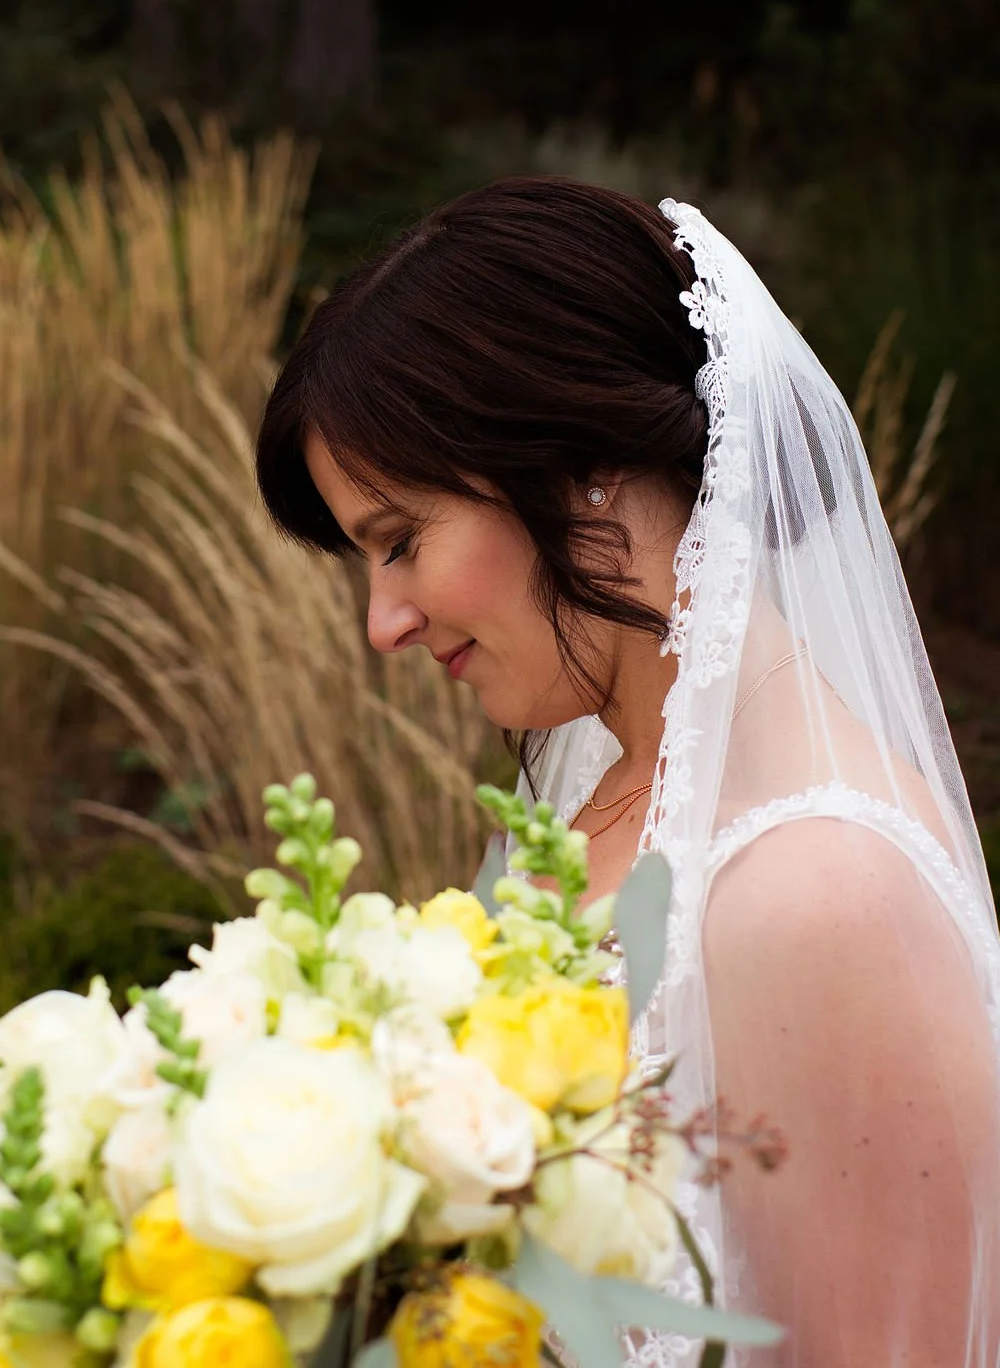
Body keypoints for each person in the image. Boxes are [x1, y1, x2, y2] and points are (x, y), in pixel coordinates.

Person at [255, 176, 1000, 1367]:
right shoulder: (588, 786)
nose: (382, 622)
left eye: (400, 541)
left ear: (580, 464)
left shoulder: (822, 898)